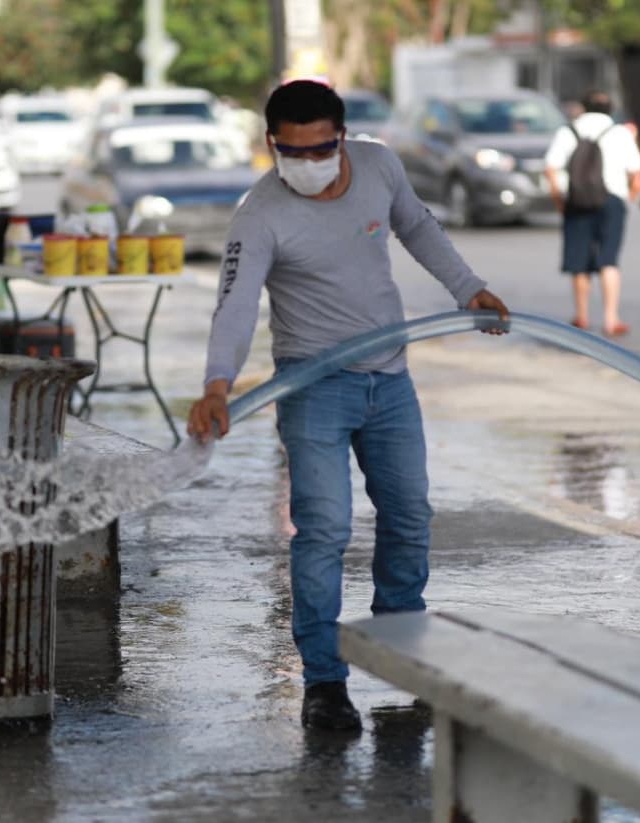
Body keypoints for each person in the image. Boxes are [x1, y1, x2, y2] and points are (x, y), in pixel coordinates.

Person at [186, 80, 509, 732]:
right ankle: (324, 683)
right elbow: (238, 302)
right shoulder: (261, 213)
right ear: (271, 145)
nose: (309, 163)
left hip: (390, 380)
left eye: (322, 149)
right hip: (312, 387)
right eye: (293, 152)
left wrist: (468, 288)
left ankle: (402, 650)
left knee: (410, 513)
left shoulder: (380, 166)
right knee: (325, 527)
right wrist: (218, 383)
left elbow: (417, 225)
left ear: (341, 136)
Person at [543, 90, 640, 336]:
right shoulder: (620, 132)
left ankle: (582, 316)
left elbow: (550, 168)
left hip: (576, 201)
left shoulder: (569, 131)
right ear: (611, 108)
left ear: (583, 107)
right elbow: (637, 173)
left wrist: (559, 199)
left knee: (579, 262)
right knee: (608, 259)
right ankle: (611, 318)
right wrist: (627, 198)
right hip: (612, 199)